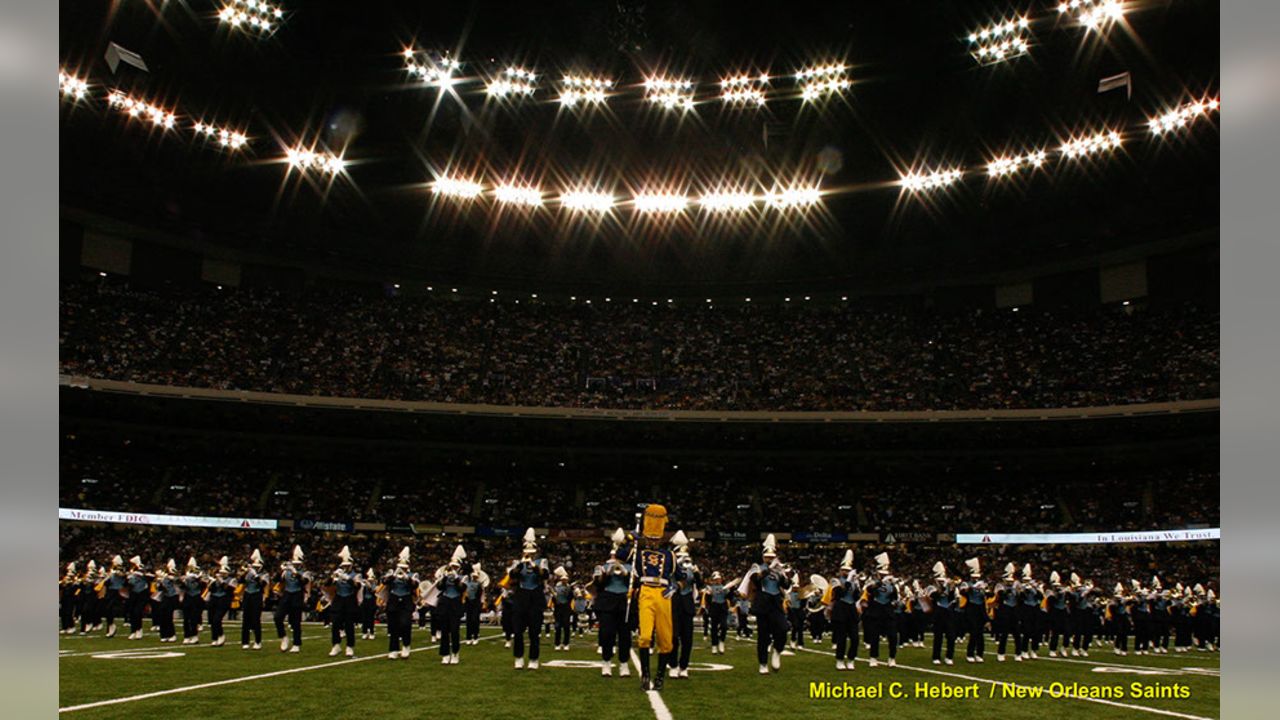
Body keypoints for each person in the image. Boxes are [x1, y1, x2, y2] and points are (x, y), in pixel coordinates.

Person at [633, 504, 678, 691]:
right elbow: (619, 555)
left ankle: (660, 676)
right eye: (649, 539)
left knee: (666, 639)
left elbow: (680, 578)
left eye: (655, 539)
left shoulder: (670, 556)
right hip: (646, 592)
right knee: (644, 636)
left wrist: (674, 588)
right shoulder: (638, 553)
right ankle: (645, 674)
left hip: (663, 594)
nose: (652, 542)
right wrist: (630, 538)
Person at [744, 534, 791, 675]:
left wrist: (784, 574)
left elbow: (786, 585)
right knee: (763, 635)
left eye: (772, 557)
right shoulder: (757, 567)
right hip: (762, 603)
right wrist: (768, 569)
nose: (770, 559)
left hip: (776, 602)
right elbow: (755, 580)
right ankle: (763, 663)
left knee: (783, 628)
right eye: (767, 557)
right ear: (763, 556)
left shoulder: (779, 569)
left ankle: (777, 650)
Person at [505, 528, 550, 670]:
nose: (529, 554)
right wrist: (521, 565)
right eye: (527, 551)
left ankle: (533, 658)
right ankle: (518, 657)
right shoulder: (517, 563)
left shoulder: (542, 561)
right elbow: (512, 576)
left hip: (535, 596)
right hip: (521, 596)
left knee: (534, 631)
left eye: (532, 552)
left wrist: (533, 565)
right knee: (518, 630)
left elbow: (545, 575)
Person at [592, 528, 633, 678]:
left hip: (624, 601)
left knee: (624, 635)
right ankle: (606, 662)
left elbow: (635, 585)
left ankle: (624, 663)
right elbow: (598, 584)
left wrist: (625, 572)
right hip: (607, 601)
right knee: (607, 633)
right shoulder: (601, 567)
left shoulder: (630, 568)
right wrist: (607, 574)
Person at [669, 531, 701, 679]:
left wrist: (697, 573)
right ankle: (673, 665)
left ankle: (684, 666)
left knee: (687, 639)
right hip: (673, 602)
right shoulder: (670, 567)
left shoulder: (691, 568)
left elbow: (700, 585)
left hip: (687, 603)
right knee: (673, 637)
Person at [824, 549, 860, 671]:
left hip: (851, 609)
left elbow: (856, 598)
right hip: (840, 609)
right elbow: (840, 594)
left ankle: (851, 659)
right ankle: (839, 660)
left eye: (848, 571)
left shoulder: (853, 581)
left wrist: (856, 586)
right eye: (844, 570)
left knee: (855, 638)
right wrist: (849, 581)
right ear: (840, 570)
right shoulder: (835, 581)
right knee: (841, 638)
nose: (846, 572)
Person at [862, 552, 898, 668]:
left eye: (884, 574)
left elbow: (894, 597)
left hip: (888, 611)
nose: (883, 575)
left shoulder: (891, 583)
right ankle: (873, 657)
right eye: (881, 574)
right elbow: (871, 591)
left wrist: (893, 586)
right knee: (874, 636)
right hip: (875, 611)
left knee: (893, 636)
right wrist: (881, 583)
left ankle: (892, 657)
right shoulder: (871, 582)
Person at [433, 545, 468, 665]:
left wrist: (456, 577)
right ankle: (445, 654)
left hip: (455, 604)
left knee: (454, 631)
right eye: (452, 566)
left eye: (456, 567)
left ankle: (455, 653)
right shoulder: (445, 576)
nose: (453, 568)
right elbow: (439, 587)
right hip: (445, 603)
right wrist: (444, 577)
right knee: (444, 631)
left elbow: (461, 588)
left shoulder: (463, 577)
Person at [383, 546, 419, 660]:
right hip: (393, 600)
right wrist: (393, 575)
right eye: (400, 567)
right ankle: (393, 649)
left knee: (405, 624)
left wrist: (407, 578)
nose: (402, 569)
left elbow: (415, 585)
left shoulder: (413, 575)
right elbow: (384, 582)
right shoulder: (391, 573)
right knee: (393, 626)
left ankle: (406, 645)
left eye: (404, 567)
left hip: (406, 601)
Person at [274, 545, 310, 653]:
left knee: (295, 622)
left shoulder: (305, 572)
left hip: (297, 595)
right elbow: (276, 579)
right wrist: (281, 570)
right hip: (287, 594)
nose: (296, 564)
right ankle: (283, 637)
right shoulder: (287, 571)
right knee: (277, 617)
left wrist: (295, 572)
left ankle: (296, 643)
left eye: (298, 563)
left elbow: (304, 581)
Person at [327, 546, 360, 658]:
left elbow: (357, 586)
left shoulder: (356, 575)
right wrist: (332, 577)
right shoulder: (338, 573)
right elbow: (326, 585)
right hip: (339, 599)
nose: (345, 568)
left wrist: (347, 578)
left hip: (350, 600)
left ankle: (350, 646)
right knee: (335, 623)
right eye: (343, 566)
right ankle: (336, 645)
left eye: (347, 566)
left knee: (349, 625)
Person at [928, 561, 959, 666]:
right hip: (938, 613)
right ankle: (936, 656)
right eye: (939, 581)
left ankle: (949, 656)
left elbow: (951, 599)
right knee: (938, 637)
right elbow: (934, 596)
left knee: (951, 636)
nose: (941, 582)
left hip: (948, 612)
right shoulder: (931, 587)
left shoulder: (949, 586)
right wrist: (943, 588)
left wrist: (951, 589)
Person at [238, 550, 267, 650]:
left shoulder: (264, 574)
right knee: (245, 619)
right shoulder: (248, 573)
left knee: (255, 619)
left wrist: (255, 575)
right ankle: (245, 641)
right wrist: (244, 573)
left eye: (257, 566)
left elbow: (262, 584)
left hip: (257, 595)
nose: (255, 567)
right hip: (247, 595)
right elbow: (240, 581)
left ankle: (258, 641)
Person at [992, 563, 1020, 662]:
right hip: (1004, 610)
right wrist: (1007, 590)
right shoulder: (1000, 586)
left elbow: (1020, 598)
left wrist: (1018, 591)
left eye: (1011, 581)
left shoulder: (1016, 586)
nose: (1010, 583)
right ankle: (1001, 653)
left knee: (1017, 634)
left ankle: (1018, 653)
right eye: (1008, 581)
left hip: (1014, 611)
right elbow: (1000, 596)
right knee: (1004, 634)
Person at [206, 557, 232, 647]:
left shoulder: (231, 580)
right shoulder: (216, 580)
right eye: (221, 573)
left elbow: (229, 590)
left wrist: (221, 581)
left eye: (224, 573)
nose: (222, 574)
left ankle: (221, 635)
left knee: (217, 619)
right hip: (214, 599)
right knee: (212, 620)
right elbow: (210, 589)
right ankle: (214, 638)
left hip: (224, 600)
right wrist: (211, 582)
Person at [703, 571, 730, 655]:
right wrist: (709, 595)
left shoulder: (725, 587)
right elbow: (707, 600)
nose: (718, 580)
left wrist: (730, 591)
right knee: (714, 628)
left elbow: (729, 597)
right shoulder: (710, 588)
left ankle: (721, 641)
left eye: (719, 579)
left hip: (723, 608)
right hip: (714, 608)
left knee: (724, 626)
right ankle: (714, 645)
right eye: (716, 579)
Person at [180, 556, 205, 645]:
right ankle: (186, 636)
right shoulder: (186, 575)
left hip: (196, 597)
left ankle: (194, 636)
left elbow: (203, 584)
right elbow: (182, 587)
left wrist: (198, 579)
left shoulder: (199, 574)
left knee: (194, 618)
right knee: (186, 619)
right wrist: (183, 581)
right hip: (188, 597)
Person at [125, 556, 150, 640]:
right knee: (132, 612)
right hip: (133, 592)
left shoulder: (141, 567)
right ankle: (133, 631)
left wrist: (137, 573)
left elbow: (147, 575)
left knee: (137, 611)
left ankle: (139, 629)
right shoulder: (131, 571)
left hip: (142, 592)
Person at [155, 559, 180, 643]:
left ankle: (172, 634)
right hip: (165, 596)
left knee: (169, 616)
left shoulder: (174, 575)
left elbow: (177, 580)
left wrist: (169, 577)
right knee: (162, 614)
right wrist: (159, 582)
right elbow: (160, 588)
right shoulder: (164, 576)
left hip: (172, 596)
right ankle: (164, 634)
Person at [463, 563, 487, 645]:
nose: (474, 577)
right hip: (468, 602)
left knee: (475, 619)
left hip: (476, 603)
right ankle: (468, 637)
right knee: (469, 620)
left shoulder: (479, 584)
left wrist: (482, 602)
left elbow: (481, 594)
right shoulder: (467, 582)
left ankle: (476, 636)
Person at [551, 566, 574, 650]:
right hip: (558, 608)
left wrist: (570, 590)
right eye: (563, 579)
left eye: (566, 580)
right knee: (558, 626)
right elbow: (554, 599)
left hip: (566, 608)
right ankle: (557, 643)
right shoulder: (557, 588)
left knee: (566, 626)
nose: (565, 581)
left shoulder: (569, 588)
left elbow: (571, 597)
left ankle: (566, 643)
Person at [59, 563, 79, 634]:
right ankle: (64, 627)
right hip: (64, 598)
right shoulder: (65, 578)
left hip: (71, 598)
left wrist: (72, 582)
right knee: (63, 613)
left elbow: (77, 588)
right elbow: (60, 587)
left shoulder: (75, 580)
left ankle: (72, 627)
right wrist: (63, 583)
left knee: (69, 613)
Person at [360, 568, 379, 641]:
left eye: (371, 580)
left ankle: (371, 632)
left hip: (372, 602)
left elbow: (373, 591)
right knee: (364, 618)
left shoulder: (376, 585)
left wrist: (368, 584)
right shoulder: (364, 585)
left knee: (371, 618)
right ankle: (364, 632)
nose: (370, 581)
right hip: (365, 602)